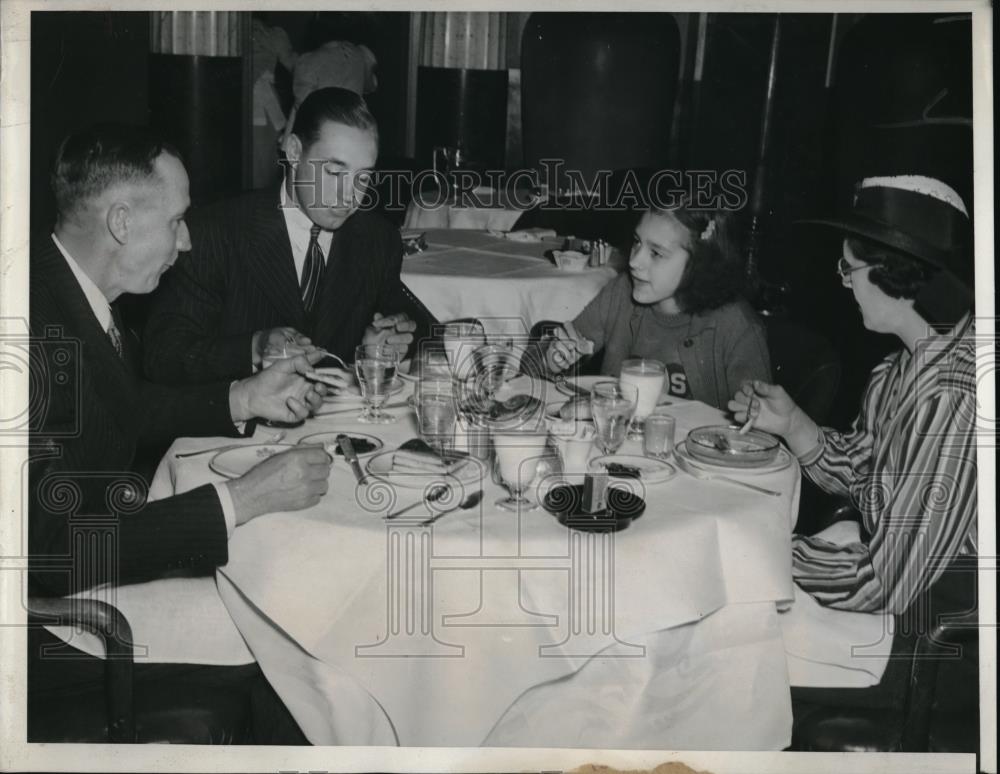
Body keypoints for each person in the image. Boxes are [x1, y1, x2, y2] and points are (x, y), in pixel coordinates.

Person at [29, 124, 331, 742]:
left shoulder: (69, 292)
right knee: (294, 629)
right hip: (45, 619)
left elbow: (127, 409)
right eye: (176, 219)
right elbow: (54, 551)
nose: (188, 240)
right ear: (120, 222)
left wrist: (242, 396)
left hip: (89, 559)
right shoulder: (32, 334)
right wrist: (242, 499)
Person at [730, 175, 977, 732]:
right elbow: (866, 471)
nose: (843, 283)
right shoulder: (902, 367)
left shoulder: (955, 396)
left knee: (720, 636)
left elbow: (881, 583)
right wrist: (794, 424)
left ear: (896, 275)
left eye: (850, 268)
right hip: (892, 581)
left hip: (923, 638)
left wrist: (761, 554)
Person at [143, 86, 431, 387]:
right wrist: (253, 347)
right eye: (334, 172)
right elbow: (163, 355)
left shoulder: (377, 239)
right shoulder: (215, 232)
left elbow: (415, 326)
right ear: (294, 152)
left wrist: (386, 344)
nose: (351, 195)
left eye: (364, 176)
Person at [543, 203, 771, 409]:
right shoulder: (622, 292)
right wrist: (551, 361)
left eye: (656, 253)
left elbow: (759, 431)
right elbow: (536, 368)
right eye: (637, 242)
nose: (634, 262)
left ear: (700, 262)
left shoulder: (735, 325)